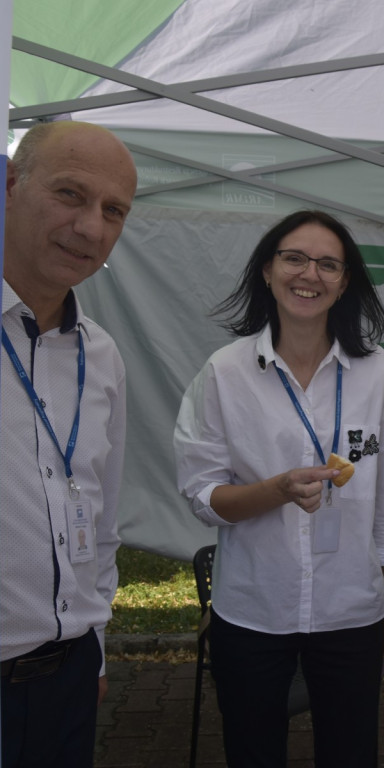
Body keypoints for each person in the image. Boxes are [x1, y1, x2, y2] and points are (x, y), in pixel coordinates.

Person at [173, 209, 384, 767]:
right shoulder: (225, 372)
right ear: (266, 270)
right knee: (253, 752)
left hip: (352, 608)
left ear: (345, 281)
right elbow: (202, 497)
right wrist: (276, 490)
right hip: (255, 608)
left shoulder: (374, 370)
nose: (311, 274)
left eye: (329, 264)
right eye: (294, 258)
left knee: (351, 754)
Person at [1, 120, 136, 766]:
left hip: (70, 676)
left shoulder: (102, 356)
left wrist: (98, 647)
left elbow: (102, 522)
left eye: (114, 211)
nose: (91, 228)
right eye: (70, 195)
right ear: (8, 185)